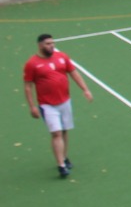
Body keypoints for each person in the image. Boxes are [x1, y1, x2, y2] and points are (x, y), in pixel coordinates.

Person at [23, 33, 94, 178]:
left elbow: (74, 73)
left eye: (52, 43)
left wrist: (85, 89)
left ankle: (64, 157)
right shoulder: (32, 64)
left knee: (65, 131)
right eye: (48, 44)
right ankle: (61, 165)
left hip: (65, 101)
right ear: (40, 45)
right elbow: (28, 86)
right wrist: (32, 106)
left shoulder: (62, 56)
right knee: (56, 133)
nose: (51, 46)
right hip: (47, 105)